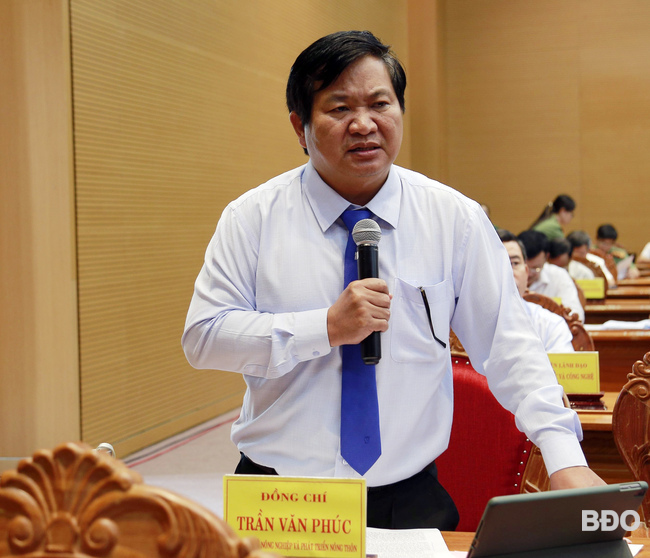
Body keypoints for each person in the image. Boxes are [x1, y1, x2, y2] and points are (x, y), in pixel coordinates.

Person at [182, 30, 603, 530]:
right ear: (300, 127)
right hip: (281, 498)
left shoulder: (455, 219)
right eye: (338, 108)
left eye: (380, 103)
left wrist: (564, 455)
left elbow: (509, 346)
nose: (364, 124)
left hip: (408, 496)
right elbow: (203, 337)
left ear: (400, 111)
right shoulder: (251, 218)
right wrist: (325, 328)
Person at [498, 230, 574, 353]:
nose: (508, 273)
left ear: (526, 272)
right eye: (498, 264)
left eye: (514, 263)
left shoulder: (550, 325)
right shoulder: (460, 326)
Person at [517, 230, 585, 322]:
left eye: (535, 268)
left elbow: (576, 315)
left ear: (546, 257)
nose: (529, 274)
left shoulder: (558, 275)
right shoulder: (507, 276)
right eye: (525, 267)